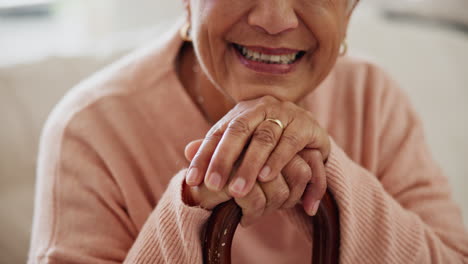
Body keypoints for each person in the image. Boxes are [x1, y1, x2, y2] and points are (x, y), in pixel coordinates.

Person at [29, 0, 468, 263]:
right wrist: (198, 198)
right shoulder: (90, 128)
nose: (275, 19)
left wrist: (334, 173)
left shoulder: (373, 97)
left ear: (348, 12)